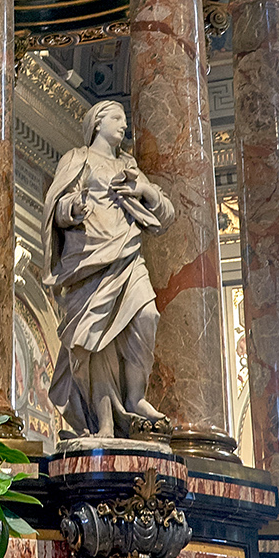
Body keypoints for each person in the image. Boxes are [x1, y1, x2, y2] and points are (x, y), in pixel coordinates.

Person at [42, 99, 175, 439]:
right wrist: (73, 206)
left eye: (124, 120)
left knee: (147, 316)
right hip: (89, 260)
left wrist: (145, 190)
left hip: (128, 255)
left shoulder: (128, 166)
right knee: (95, 343)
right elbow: (55, 207)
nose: (124, 125)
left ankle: (135, 397)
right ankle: (103, 423)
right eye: (117, 118)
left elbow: (167, 214)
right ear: (98, 122)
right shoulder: (77, 159)